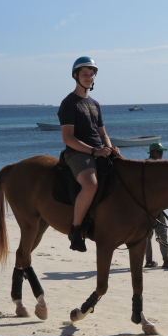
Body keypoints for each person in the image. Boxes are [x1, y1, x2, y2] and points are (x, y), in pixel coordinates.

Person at [57, 56, 120, 252]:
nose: (88, 77)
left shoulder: (95, 104)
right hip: (77, 153)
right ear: (75, 76)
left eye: (91, 74)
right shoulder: (69, 103)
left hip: (100, 150)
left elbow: (103, 133)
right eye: (84, 74)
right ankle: (76, 229)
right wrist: (94, 150)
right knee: (91, 184)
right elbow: (68, 138)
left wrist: (110, 149)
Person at [144, 141, 168, 269]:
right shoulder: (158, 166)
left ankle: (149, 261)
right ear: (153, 152)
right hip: (157, 206)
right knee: (162, 233)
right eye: (159, 151)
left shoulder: (144, 165)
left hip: (146, 206)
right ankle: (166, 260)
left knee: (148, 235)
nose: (161, 154)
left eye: (162, 152)